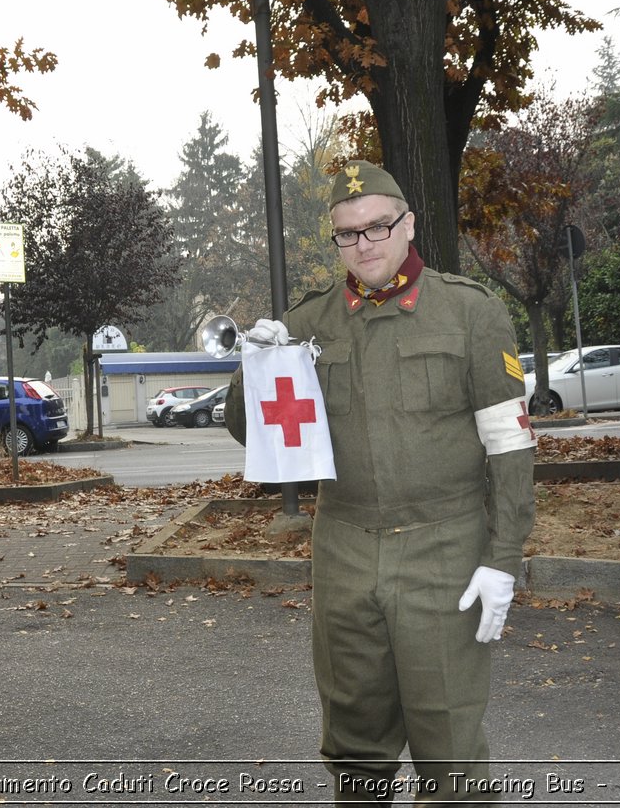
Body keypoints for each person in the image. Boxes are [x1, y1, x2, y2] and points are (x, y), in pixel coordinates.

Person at [225, 160, 535, 804]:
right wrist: (255, 364)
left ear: (408, 224)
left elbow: (509, 447)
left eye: (377, 227)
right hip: (344, 551)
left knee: (450, 749)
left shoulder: (470, 313)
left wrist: (503, 558)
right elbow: (247, 430)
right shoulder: (310, 324)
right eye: (347, 234)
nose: (364, 244)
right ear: (335, 240)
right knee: (353, 745)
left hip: (443, 552)